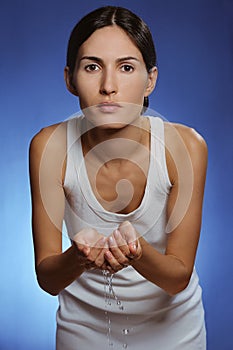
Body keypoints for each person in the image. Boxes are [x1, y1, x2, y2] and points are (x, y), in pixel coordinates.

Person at [29, 6, 208, 350]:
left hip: (175, 333)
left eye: (126, 67)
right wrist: (78, 256)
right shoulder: (48, 147)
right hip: (82, 333)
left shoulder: (185, 147)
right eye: (92, 67)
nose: (108, 86)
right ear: (70, 78)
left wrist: (136, 252)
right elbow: (48, 277)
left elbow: (178, 278)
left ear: (150, 79)